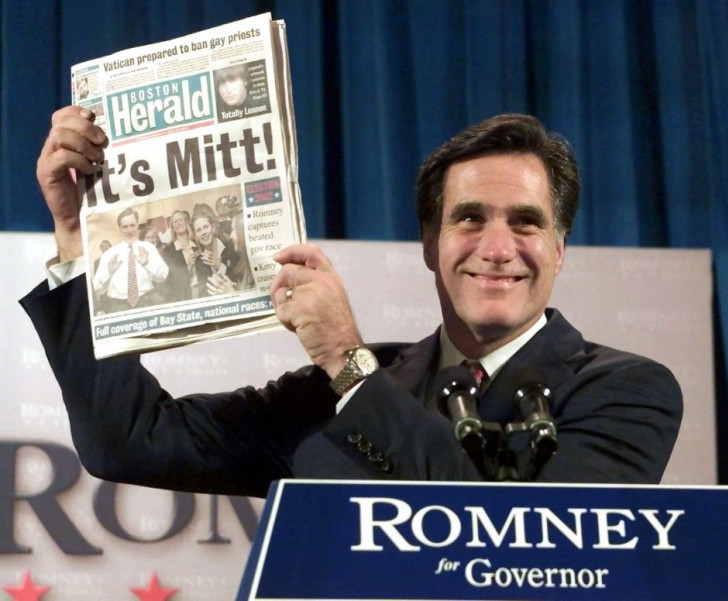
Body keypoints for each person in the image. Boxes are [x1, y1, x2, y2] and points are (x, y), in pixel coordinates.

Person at [21, 106, 682, 497]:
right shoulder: (329, 396)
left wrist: (346, 359)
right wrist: (83, 240)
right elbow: (127, 442)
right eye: (470, 219)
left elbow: (509, 539)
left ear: (560, 249)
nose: (497, 247)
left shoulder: (625, 391)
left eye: (527, 223)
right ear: (431, 243)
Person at [91, 207, 169, 312]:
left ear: (137, 224)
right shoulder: (110, 254)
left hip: (147, 302)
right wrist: (109, 272)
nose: (129, 230)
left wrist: (147, 263)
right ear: (120, 228)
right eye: (125, 227)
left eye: (132, 225)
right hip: (118, 306)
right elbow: (97, 287)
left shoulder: (149, 248)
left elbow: (163, 276)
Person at [190, 203, 242, 298]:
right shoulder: (199, 262)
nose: (203, 233)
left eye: (206, 227)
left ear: (213, 227)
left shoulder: (230, 247)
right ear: (196, 236)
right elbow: (203, 294)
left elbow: (239, 282)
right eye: (198, 230)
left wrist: (220, 267)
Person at [206, 198, 256, 295]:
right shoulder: (245, 264)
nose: (231, 235)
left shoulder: (256, 264)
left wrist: (232, 293)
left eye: (234, 230)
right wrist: (234, 289)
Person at [160, 209, 198, 302]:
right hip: (184, 296)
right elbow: (172, 281)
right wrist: (188, 267)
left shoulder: (197, 245)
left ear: (186, 222)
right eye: (175, 221)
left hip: (201, 292)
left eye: (181, 220)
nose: (178, 223)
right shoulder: (168, 252)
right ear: (172, 227)